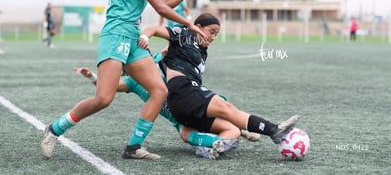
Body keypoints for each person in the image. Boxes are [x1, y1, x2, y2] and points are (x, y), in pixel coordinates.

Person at [41, 0, 208, 160]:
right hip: (116, 35)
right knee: (104, 98)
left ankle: (133, 147)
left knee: (159, 91)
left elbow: (163, 2)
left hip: (132, 36)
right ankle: (54, 129)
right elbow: (161, 9)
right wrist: (189, 23)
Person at [138, 13, 300, 156]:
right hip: (182, 91)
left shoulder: (202, 52)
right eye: (211, 31)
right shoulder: (185, 34)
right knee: (226, 108)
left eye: (216, 34)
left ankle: (207, 149)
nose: (213, 37)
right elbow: (154, 29)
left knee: (233, 132)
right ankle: (274, 130)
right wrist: (144, 38)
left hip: (183, 106)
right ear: (199, 27)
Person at [73, 47, 261, 159]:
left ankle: (240, 128)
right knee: (186, 134)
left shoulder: (155, 62)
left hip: (191, 104)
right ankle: (213, 145)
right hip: (180, 120)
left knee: (221, 107)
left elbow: (169, 53)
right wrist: (91, 77)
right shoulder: (131, 82)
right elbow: (107, 87)